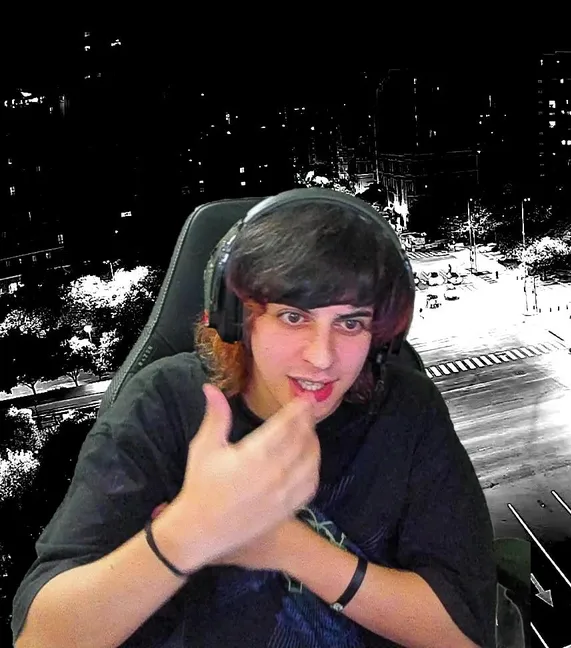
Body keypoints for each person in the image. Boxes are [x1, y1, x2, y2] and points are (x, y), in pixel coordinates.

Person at [12, 192, 496, 648]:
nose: (322, 357)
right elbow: (42, 638)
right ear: (239, 318)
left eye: (350, 323)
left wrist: (287, 546)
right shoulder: (164, 403)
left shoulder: (407, 409)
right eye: (293, 317)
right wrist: (191, 531)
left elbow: (463, 634)